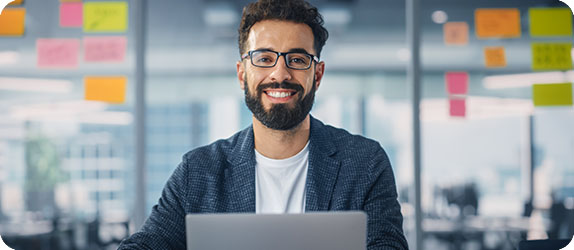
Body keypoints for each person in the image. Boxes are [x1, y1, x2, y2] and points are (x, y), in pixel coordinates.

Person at [118, 0, 408, 249]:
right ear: (242, 73)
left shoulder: (364, 162)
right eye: (264, 58)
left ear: (317, 75)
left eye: (297, 59)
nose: (280, 73)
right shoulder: (198, 171)